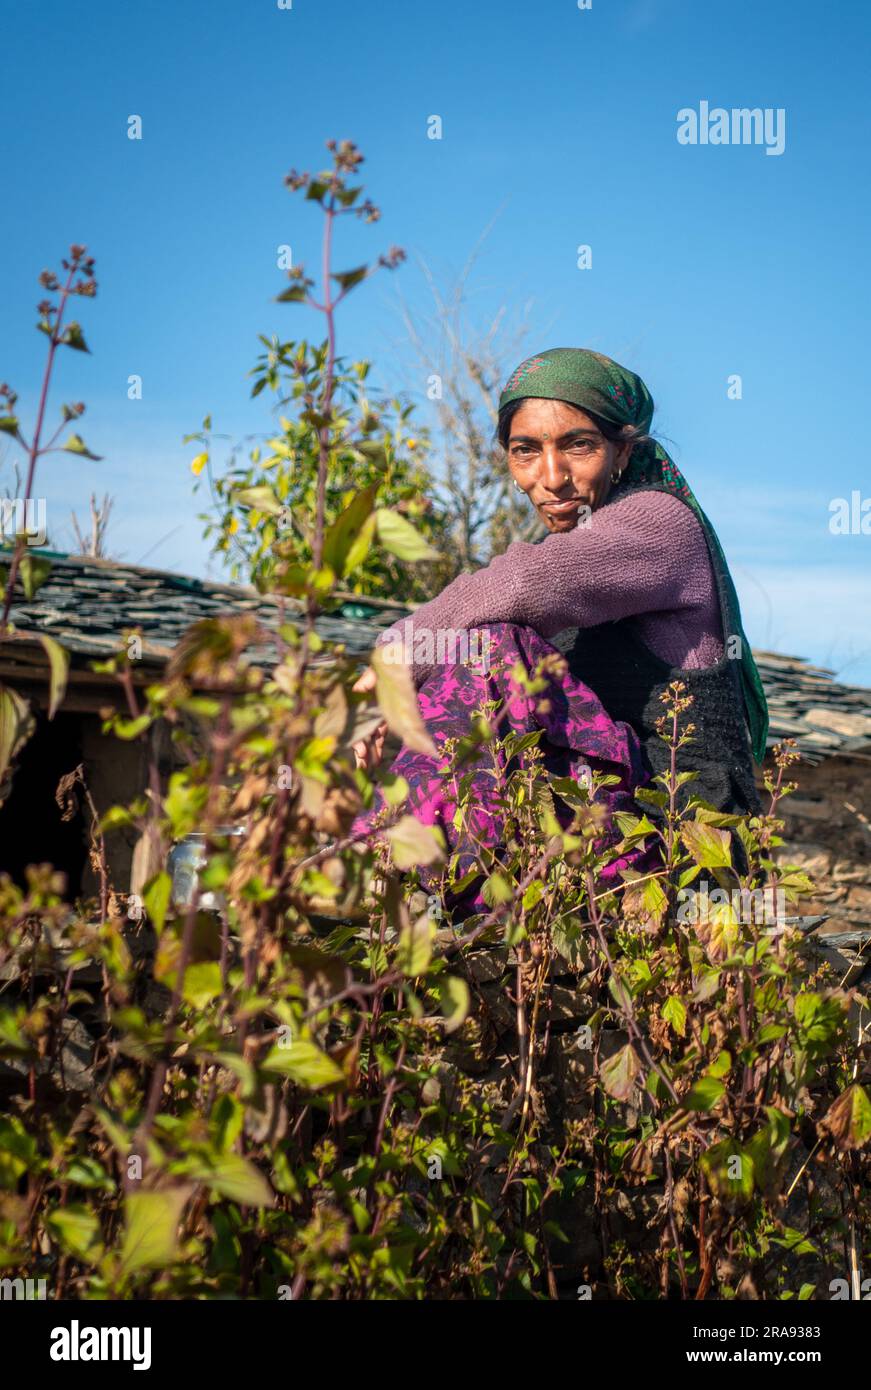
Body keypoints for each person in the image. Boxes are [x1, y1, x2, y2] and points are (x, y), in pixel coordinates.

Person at [353, 349, 768, 909]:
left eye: (578, 446)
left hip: (683, 851)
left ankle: (389, 868)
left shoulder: (660, 522)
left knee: (492, 646)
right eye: (526, 451)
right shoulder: (580, 547)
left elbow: (523, 582)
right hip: (594, 838)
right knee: (474, 657)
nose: (551, 478)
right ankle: (403, 870)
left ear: (623, 450)